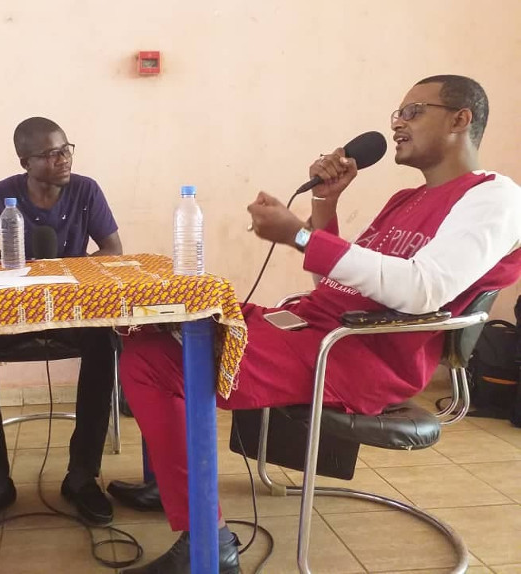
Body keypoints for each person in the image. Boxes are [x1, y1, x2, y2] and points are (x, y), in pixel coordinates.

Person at [114, 75, 521, 573]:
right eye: (397, 112)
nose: (396, 122)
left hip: (361, 352)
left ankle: (208, 542)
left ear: (461, 118)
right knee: (155, 326)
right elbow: (342, 276)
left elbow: (421, 291)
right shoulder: (403, 200)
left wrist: (302, 235)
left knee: (154, 362)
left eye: (413, 111)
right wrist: (325, 203)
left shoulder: (496, 198)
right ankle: (175, 485)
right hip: (312, 324)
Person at [0, 116, 123, 533]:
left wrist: (74, 273)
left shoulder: (86, 190)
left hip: (70, 313)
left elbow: (113, 251)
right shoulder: (1, 196)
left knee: (105, 344)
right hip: (12, 318)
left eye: (66, 149)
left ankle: (82, 476)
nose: (63, 159)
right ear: (25, 161)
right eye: (50, 154)